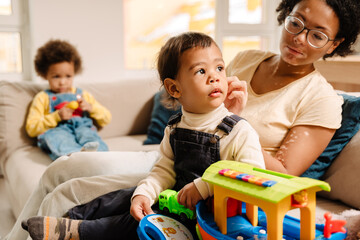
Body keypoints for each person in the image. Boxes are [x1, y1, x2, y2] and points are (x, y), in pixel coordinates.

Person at [5, 0, 360, 239]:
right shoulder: (252, 57)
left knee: (69, 191)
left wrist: (238, 120)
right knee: (60, 169)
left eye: (316, 35)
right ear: (286, 14)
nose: (299, 38)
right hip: (177, 151)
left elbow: (280, 175)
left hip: (222, 174)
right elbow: (201, 92)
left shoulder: (322, 98)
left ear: (334, 43)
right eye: (296, 22)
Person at [22, 31, 265, 240]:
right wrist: (144, 193)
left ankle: (80, 232)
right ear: (174, 88)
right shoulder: (175, 127)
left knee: (138, 223)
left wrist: (204, 186)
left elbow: (251, 174)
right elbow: (163, 170)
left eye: (220, 68)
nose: (215, 77)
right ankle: (69, 219)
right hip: (175, 200)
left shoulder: (237, 130)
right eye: (201, 71)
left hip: (207, 218)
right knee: (123, 197)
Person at [26, 39, 111, 160]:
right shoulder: (42, 98)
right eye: (56, 76)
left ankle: (99, 159)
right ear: (45, 75)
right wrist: (56, 117)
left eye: (68, 76)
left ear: (74, 73)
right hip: (57, 131)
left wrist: (91, 108)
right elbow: (32, 128)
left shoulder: (83, 95)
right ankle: (76, 160)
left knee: (89, 136)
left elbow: (106, 118)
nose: (62, 82)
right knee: (59, 138)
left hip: (83, 129)